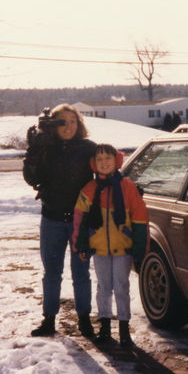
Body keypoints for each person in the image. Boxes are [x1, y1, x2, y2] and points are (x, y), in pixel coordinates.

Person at [23, 104, 97, 338]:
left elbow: (107, 171)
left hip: (80, 221)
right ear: (54, 125)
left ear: (80, 124)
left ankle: (84, 319)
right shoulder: (46, 149)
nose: (69, 126)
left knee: (81, 272)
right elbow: (31, 178)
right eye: (63, 121)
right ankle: (49, 319)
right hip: (52, 218)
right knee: (52, 272)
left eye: (73, 121)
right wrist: (33, 152)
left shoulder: (89, 149)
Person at [72, 144, 148, 348]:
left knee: (121, 287)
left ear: (117, 161)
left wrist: (140, 246)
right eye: (99, 159)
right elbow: (79, 220)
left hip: (122, 248)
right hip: (100, 250)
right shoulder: (89, 189)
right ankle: (104, 327)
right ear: (94, 164)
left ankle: (124, 330)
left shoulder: (128, 187)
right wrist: (80, 246)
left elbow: (140, 218)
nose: (104, 163)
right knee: (103, 288)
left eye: (108, 158)